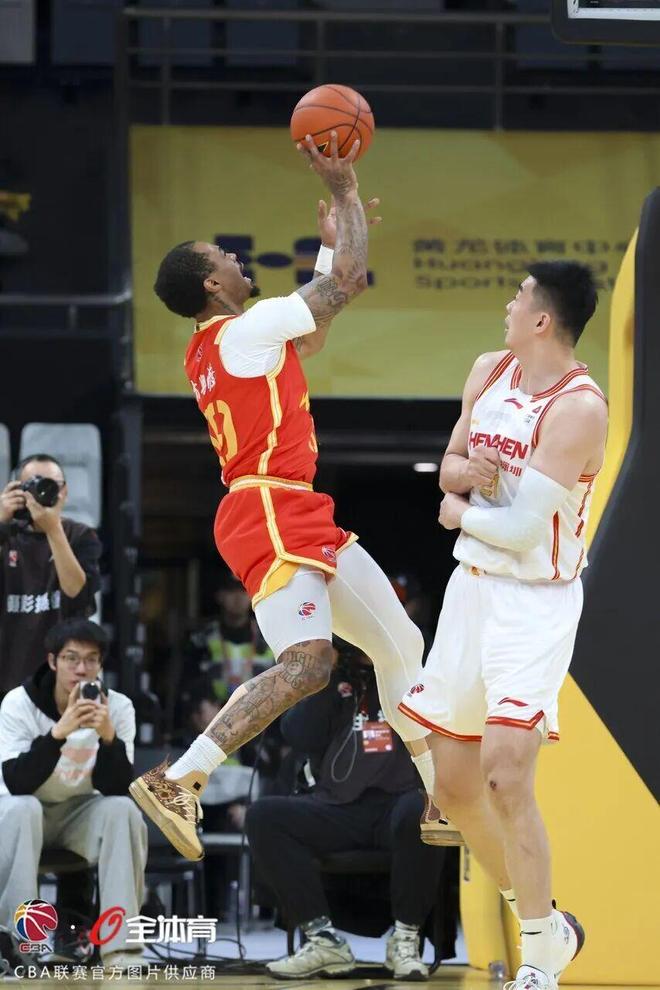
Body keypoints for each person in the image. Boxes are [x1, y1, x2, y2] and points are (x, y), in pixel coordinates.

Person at [130, 132, 450, 861]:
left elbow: (315, 327)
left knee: (400, 642)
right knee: (310, 664)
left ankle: (439, 796)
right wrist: (344, 191)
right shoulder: (244, 331)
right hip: (267, 507)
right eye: (224, 257)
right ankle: (179, 778)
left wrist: (330, 247)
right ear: (211, 285)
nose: (236, 259)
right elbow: (346, 286)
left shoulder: (222, 345)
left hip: (291, 506)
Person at [399, 262, 608, 990]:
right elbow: (448, 467)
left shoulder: (579, 409)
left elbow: (521, 530)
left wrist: (460, 513)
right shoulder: (488, 371)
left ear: (543, 320)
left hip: (534, 601)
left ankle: (540, 959)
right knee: (456, 788)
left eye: (519, 296)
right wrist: (466, 476)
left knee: (506, 773)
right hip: (471, 594)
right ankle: (548, 925)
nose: (508, 305)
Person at [247, 644, 452, 981]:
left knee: (423, 810)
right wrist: (326, 674)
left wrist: (391, 665)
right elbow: (298, 734)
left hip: (399, 805)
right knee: (264, 816)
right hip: (337, 808)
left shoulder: (416, 669)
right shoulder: (333, 678)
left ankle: (405, 941)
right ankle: (324, 942)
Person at [0, 618, 147, 972]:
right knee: (21, 808)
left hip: (79, 813)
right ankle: (18, 945)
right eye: (71, 658)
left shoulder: (118, 707)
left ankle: (121, 949)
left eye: (91, 660)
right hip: (22, 815)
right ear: (52, 661)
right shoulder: (19, 703)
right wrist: (58, 733)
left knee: (123, 810)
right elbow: (17, 782)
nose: (81, 669)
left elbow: (117, 787)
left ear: (100, 664)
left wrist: (108, 737)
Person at [0, 453, 102, 696]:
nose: (42, 492)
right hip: (7, 675)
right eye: (33, 484)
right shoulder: (7, 536)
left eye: (51, 485)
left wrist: (53, 528)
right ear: (18, 490)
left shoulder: (81, 535)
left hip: (62, 683)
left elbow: (77, 593)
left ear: (64, 491)